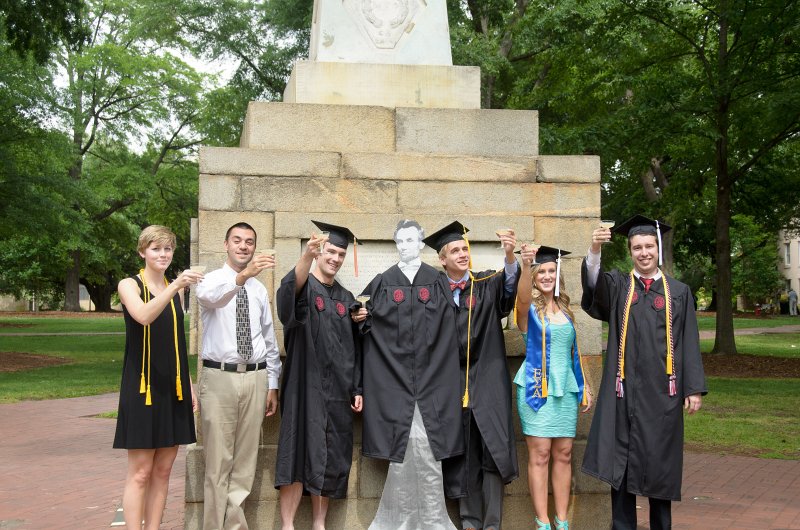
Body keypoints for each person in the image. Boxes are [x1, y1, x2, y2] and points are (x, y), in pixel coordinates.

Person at [580, 215, 707, 530]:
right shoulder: (620, 286)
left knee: (659, 469)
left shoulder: (678, 292)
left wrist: (692, 387)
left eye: (649, 245)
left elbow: (689, 339)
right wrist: (594, 248)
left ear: (658, 248)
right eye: (637, 247)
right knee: (620, 467)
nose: (644, 252)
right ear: (629, 250)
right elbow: (593, 286)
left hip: (662, 397)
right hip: (622, 395)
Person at [360, 219, 463, 530]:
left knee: (430, 453)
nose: (404, 246)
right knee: (401, 453)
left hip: (433, 381)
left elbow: (450, 334)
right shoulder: (383, 282)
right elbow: (370, 333)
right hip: (395, 382)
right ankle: (399, 521)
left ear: (421, 244)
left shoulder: (438, 281)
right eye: (399, 241)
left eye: (410, 240)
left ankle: (433, 520)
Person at [274, 221, 364, 530]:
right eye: (331, 252)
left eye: (341, 254)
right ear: (320, 252)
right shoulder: (304, 286)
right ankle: (287, 525)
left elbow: (355, 350)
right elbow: (286, 301)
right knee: (296, 451)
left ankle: (319, 523)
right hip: (304, 385)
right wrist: (305, 257)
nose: (336, 259)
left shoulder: (345, 297)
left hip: (337, 392)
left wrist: (357, 388)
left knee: (331, 454)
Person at [433, 221, 520, 530]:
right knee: (463, 454)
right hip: (450, 385)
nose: (462, 254)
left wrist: (510, 256)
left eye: (465, 249)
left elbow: (509, 288)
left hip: (487, 379)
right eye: (455, 250)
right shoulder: (433, 291)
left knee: (492, 454)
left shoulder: (485, 283)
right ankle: (470, 521)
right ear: (442, 259)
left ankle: (493, 523)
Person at [195, 222, 282, 530]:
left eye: (249, 242)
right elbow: (212, 300)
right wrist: (241, 277)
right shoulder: (210, 281)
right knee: (218, 464)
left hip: (255, 379)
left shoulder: (259, 290)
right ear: (226, 244)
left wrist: (272, 383)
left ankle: (234, 526)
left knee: (244, 464)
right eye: (238, 241)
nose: (244, 246)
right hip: (220, 379)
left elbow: (268, 340)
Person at [114, 225, 201, 530]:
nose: (163, 254)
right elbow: (144, 316)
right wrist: (175, 286)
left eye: (168, 249)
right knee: (140, 472)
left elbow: (176, 343)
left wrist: (188, 386)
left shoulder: (175, 292)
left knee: (163, 471)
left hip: (172, 388)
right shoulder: (129, 284)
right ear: (142, 252)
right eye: (156, 249)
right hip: (142, 387)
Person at [514, 245, 592, 530]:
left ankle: (562, 521)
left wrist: (585, 386)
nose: (546, 276)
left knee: (564, 453)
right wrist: (524, 266)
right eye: (541, 272)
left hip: (566, 390)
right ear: (535, 277)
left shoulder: (568, 312)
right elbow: (521, 299)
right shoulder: (529, 312)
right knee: (541, 454)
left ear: (558, 275)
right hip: (536, 388)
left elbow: (574, 353)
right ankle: (542, 522)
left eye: (551, 271)